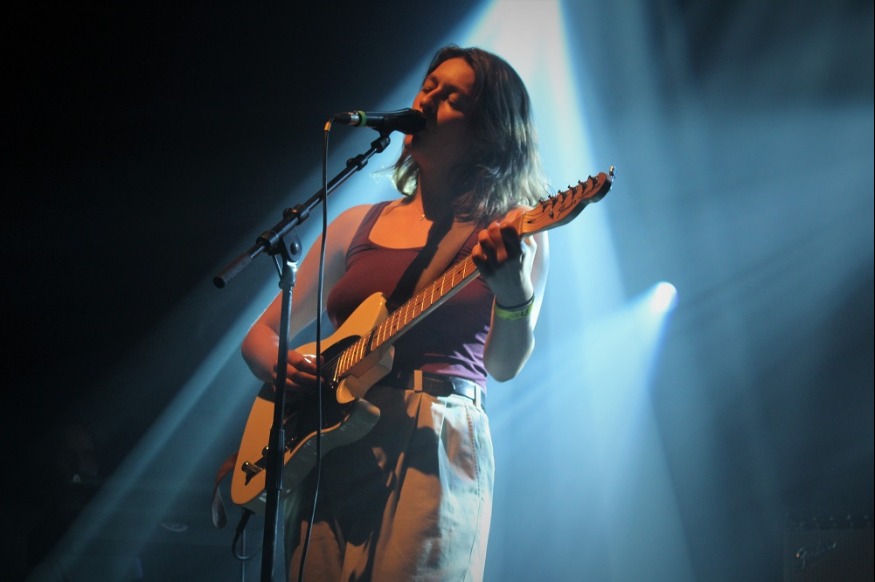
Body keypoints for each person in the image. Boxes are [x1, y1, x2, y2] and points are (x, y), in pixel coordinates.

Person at [241, 44, 550, 581]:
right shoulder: (355, 224)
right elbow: (261, 333)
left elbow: (504, 366)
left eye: (452, 97)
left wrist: (513, 295)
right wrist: (278, 365)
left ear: (489, 130)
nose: (428, 100)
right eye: (429, 86)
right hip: (328, 437)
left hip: (435, 433)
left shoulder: (513, 228)